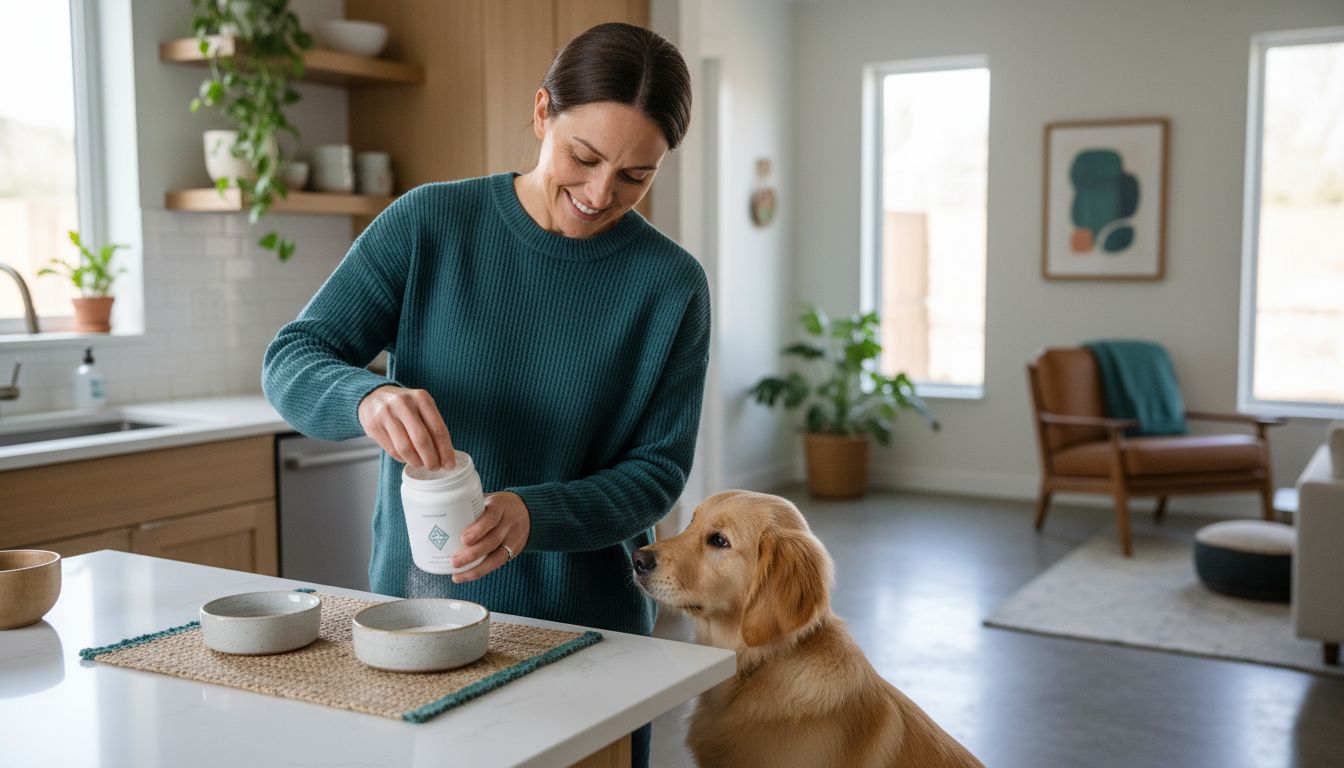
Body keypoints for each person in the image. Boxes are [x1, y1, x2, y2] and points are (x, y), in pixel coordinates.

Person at [261, 22, 704, 768]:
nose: (601, 194)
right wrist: (365, 397)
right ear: (541, 113)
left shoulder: (671, 285)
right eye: (584, 158)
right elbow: (292, 357)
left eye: (636, 176)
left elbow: (657, 473)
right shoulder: (428, 225)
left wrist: (535, 514)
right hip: (420, 626)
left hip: (590, 639)